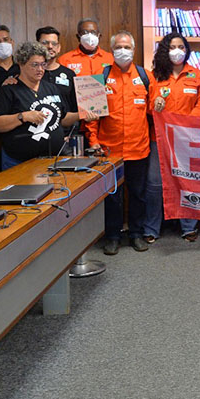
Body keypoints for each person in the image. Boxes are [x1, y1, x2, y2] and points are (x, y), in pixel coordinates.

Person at [87, 31, 151, 255]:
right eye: (118, 47)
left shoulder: (145, 76)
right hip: (109, 150)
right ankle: (112, 236)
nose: (123, 51)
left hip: (138, 148)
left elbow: (153, 109)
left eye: (127, 47)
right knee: (112, 197)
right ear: (112, 50)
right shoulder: (100, 76)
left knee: (138, 194)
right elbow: (92, 115)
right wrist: (93, 140)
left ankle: (136, 234)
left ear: (133, 50)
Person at [148, 33, 200, 241]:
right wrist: (154, 106)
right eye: (172, 47)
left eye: (181, 47)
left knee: (188, 182)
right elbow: (147, 105)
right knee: (154, 184)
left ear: (187, 50)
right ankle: (151, 229)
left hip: (187, 138)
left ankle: (189, 227)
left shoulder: (196, 75)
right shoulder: (155, 76)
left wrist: (186, 125)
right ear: (165, 50)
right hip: (159, 138)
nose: (177, 51)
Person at [0, 42, 84, 170]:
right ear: (21, 64)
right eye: (34, 65)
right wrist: (22, 116)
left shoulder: (51, 88)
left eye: (43, 64)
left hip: (53, 160)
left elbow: (62, 118)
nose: (40, 69)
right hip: (20, 163)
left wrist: (82, 114)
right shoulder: (9, 91)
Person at [36, 26, 77, 113]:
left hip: (66, 121)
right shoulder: (30, 73)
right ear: (37, 46)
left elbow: (75, 107)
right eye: (45, 43)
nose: (50, 46)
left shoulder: (69, 74)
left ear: (59, 48)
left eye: (54, 43)